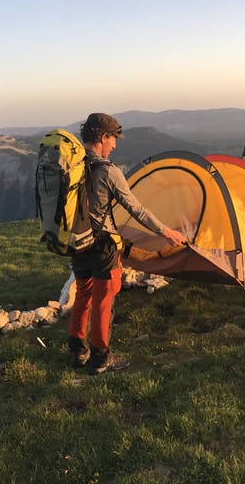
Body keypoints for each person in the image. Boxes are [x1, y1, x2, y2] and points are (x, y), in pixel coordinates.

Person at [68, 112, 187, 375]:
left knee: (83, 293)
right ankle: (101, 358)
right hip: (102, 245)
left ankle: (77, 351)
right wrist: (166, 232)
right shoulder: (107, 170)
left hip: (76, 242)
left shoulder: (72, 166)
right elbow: (137, 209)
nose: (115, 144)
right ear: (101, 137)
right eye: (112, 138)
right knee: (103, 298)